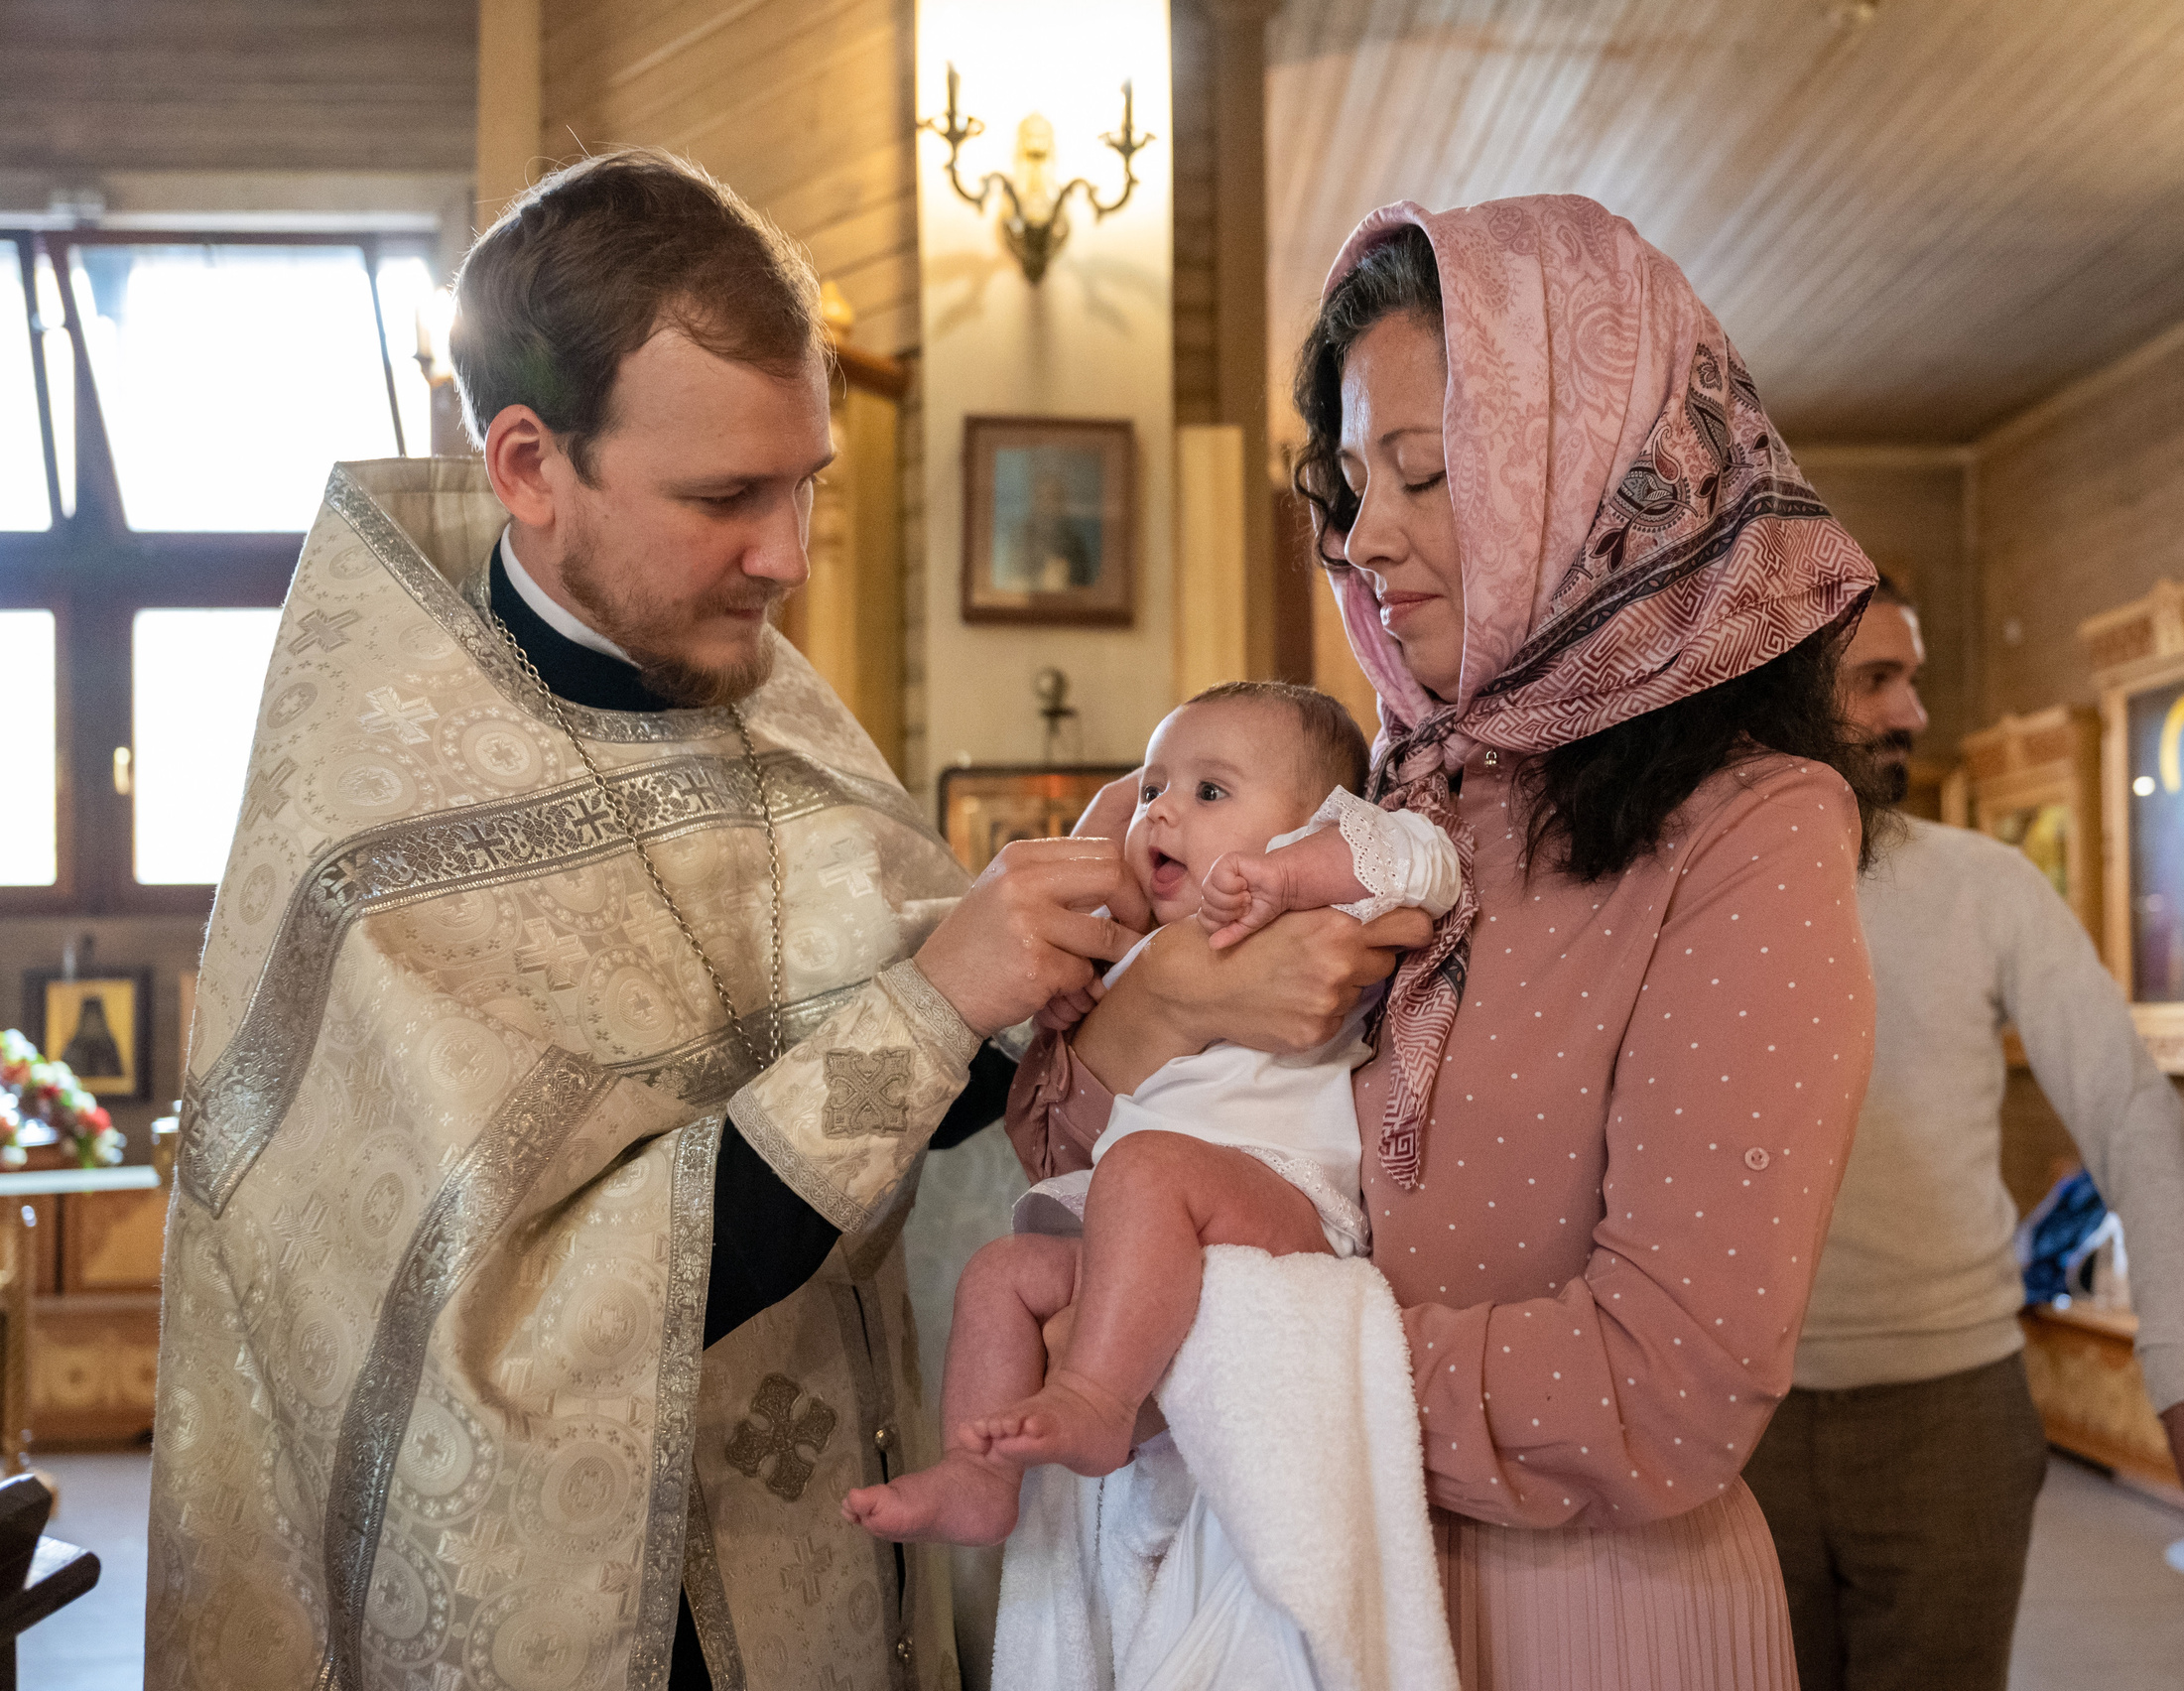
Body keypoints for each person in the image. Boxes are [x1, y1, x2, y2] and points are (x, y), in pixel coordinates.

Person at [143, 151, 1415, 1691]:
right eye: (724, 497)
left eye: (805, 482)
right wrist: (956, 999)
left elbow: (947, 1123)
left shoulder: (751, 700)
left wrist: (1162, 993)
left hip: (821, 1554)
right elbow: (489, 1342)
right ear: (532, 467)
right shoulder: (370, 847)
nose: (787, 557)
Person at [1011, 195, 1880, 1689]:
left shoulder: (1753, 830)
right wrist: (1158, 1011)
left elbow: (1664, 1388)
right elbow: (1077, 1158)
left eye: (1427, 474)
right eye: (1351, 483)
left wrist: (1200, 1351)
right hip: (1291, 1579)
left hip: (1574, 1612)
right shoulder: (1377, 798)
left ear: (1597, 477)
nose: (1365, 539)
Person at [1739, 575, 2184, 1691]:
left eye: (1913, 680)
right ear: (1787, 686)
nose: (1911, 712)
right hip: (1730, 1412)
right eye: (1877, 680)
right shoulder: (1687, 888)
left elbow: (2127, 1112)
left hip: (1947, 1410)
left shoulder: (1984, 887)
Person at [843, 681, 1458, 1545]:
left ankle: (1097, 1399)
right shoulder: (1141, 952)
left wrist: (1291, 869)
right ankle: (977, 1476)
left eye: (1209, 792)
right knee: (1001, 1274)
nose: (1163, 812)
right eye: (1153, 789)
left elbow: (1421, 861)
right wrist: (1070, 1007)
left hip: (1282, 1205)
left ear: (1318, 822)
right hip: (1140, 1231)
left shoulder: (1320, 908)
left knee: (1145, 1167)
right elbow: (1064, 1094)